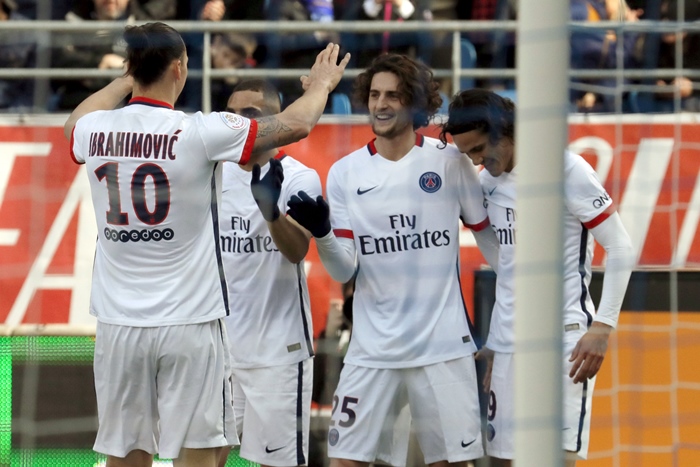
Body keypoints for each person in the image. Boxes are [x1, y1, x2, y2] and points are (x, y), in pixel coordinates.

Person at [63, 21, 349, 467]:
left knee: (124, 451)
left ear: (132, 68)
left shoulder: (94, 129)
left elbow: (71, 124)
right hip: (189, 323)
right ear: (179, 68)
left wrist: (127, 78)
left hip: (118, 324)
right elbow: (296, 124)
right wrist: (323, 85)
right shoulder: (198, 131)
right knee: (202, 451)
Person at [285, 53, 500, 467]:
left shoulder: (451, 162)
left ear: (416, 104)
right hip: (372, 350)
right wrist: (324, 234)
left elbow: (492, 245)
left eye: (394, 96)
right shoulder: (346, 172)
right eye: (375, 95)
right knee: (345, 460)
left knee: (452, 463)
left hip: (442, 349)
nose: (381, 104)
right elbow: (344, 269)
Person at [439, 88, 635, 466]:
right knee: (500, 460)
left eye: (480, 148)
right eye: (469, 155)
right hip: (508, 343)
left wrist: (602, 326)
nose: (479, 160)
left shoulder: (567, 170)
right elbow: (507, 265)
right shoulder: (487, 184)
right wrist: (497, 339)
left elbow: (621, 247)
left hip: (563, 339)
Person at [216, 79, 321, 467]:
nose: (238, 122)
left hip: (279, 353)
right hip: (218, 350)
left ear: (277, 120)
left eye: (250, 114)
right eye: (231, 113)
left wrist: (271, 213)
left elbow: (297, 252)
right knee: (201, 458)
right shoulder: (213, 173)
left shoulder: (298, 176)